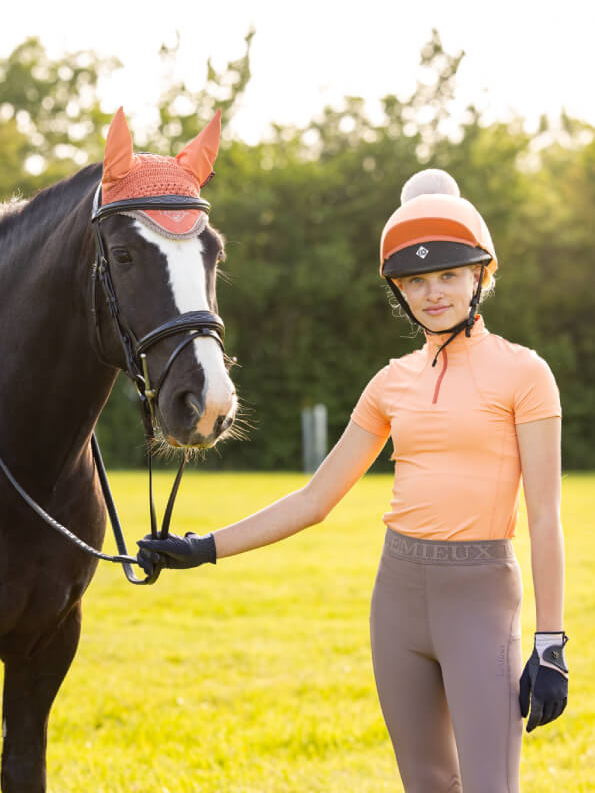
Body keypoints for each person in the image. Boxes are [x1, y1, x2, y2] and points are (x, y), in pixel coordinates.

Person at [138, 169, 568, 793]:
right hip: (397, 596)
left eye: (449, 275)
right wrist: (203, 548)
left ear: (482, 276)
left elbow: (544, 517)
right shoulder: (390, 382)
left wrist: (550, 641)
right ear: (399, 291)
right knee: (425, 784)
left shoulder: (525, 374)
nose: (433, 294)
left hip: (479, 596)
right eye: (416, 281)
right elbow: (316, 499)